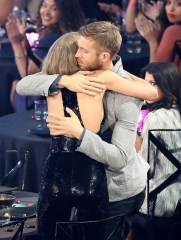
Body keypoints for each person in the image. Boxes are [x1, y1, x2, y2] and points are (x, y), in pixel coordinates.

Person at [16, 21, 158, 239]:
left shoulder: (125, 94)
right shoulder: (67, 81)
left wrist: (79, 134)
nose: (77, 56)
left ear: (103, 57)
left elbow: (120, 158)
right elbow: (24, 85)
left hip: (119, 189)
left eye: (83, 50)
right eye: (77, 49)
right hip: (86, 179)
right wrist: (62, 79)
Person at [6, 0, 85, 111]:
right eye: (44, 6)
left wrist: (15, 43)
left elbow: (28, 75)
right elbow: (34, 60)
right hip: (64, 97)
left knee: (12, 83)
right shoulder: (66, 35)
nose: (46, 12)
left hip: (44, 101)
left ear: (65, 13)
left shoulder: (52, 38)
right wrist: (22, 39)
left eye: (54, 8)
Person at [133, 62, 181, 240]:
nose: (147, 88)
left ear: (167, 84)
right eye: (145, 83)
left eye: (153, 84)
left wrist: (135, 139)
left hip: (156, 205)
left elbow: (144, 168)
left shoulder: (154, 118)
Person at [135, 0, 181, 68]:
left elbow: (155, 73)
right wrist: (159, 20)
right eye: (168, 3)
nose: (171, 9)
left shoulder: (173, 31)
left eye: (178, 4)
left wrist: (152, 42)